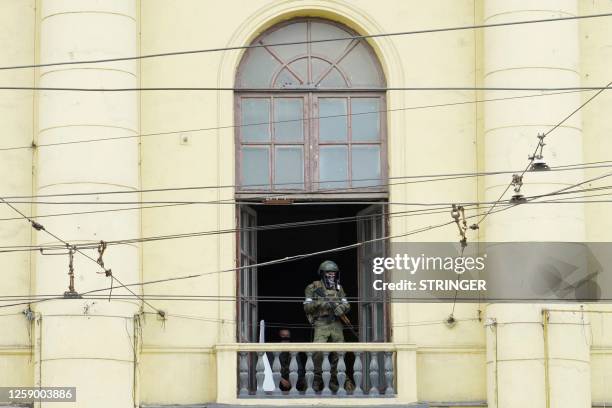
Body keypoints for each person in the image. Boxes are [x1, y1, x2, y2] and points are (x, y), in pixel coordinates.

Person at [303, 260, 350, 392]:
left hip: (336, 323)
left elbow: (347, 304)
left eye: (334, 273)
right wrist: (321, 303)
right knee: (318, 352)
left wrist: (342, 308)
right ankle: (316, 380)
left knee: (340, 352)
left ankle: (336, 380)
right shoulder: (312, 288)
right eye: (328, 273)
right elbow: (307, 307)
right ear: (322, 274)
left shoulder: (339, 288)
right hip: (321, 323)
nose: (331, 275)